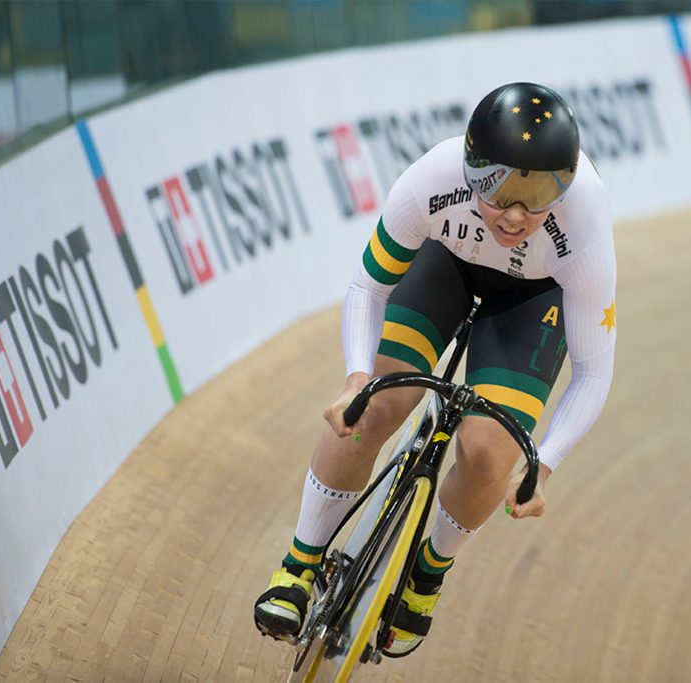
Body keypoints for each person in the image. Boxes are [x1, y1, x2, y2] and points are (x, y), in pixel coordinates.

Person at [254, 82, 617, 657]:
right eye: (500, 189)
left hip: (530, 301)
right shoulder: (432, 178)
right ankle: (299, 565)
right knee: (371, 407)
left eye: (540, 193)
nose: (518, 215)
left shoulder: (584, 222)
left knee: (490, 455)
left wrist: (541, 467)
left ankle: (428, 572)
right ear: (472, 170)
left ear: (566, 184)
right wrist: (355, 378)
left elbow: (594, 373)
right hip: (445, 265)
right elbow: (367, 287)